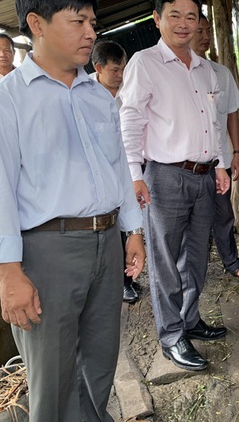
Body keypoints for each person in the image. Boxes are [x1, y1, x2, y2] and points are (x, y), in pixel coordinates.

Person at [0, 0, 146, 422]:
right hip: (48, 251)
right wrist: (9, 274)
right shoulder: (4, 103)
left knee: (101, 360)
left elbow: (116, 166)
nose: (91, 33)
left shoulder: (99, 97)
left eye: (93, 21)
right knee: (52, 375)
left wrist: (132, 231)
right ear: (37, 23)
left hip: (106, 242)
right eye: (78, 21)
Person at [119, 0, 231, 372]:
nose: (184, 24)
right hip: (164, 176)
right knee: (166, 260)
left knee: (197, 256)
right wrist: (135, 175)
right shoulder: (144, 63)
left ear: (199, 23)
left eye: (191, 17)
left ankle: (190, 318)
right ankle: (171, 336)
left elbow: (211, 123)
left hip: (202, 176)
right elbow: (130, 121)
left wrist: (219, 164)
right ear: (157, 18)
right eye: (175, 16)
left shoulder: (203, 68)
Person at [189, 14, 239, 283]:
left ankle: (231, 261)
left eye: (208, 31)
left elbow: (231, 115)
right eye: (200, 31)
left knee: (223, 213)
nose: (205, 36)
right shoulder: (173, 74)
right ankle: (194, 268)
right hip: (186, 161)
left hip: (219, 160)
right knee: (192, 219)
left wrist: (237, 152)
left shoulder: (221, 73)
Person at [90, 40, 140, 303]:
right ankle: (116, 283)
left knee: (129, 228)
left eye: (124, 69)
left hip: (126, 170)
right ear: (98, 68)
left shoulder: (130, 92)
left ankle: (127, 279)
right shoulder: (84, 94)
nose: (121, 76)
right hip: (97, 178)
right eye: (115, 70)